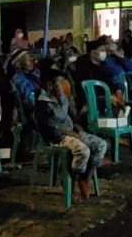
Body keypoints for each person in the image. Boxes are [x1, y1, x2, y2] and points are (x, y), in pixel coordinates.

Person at [34, 71, 107, 201]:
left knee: (101, 144)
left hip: (71, 133)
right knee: (83, 150)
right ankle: (71, 185)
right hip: (57, 138)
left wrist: (68, 100)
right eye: (60, 83)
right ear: (50, 85)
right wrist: (74, 134)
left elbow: (73, 117)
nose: (64, 85)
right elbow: (54, 128)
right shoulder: (43, 104)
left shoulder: (61, 99)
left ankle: (85, 179)